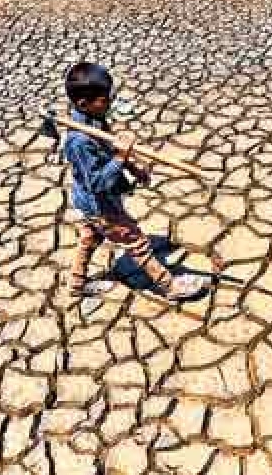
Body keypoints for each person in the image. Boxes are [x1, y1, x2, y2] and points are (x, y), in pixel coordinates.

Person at [55, 62, 207, 301]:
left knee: (90, 238)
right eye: (104, 100)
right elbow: (97, 182)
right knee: (136, 242)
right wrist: (119, 158)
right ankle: (168, 286)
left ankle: (76, 283)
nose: (109, 104)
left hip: (93, 204)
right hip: (99, 204)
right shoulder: (79, 141)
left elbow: (109, 147)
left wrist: (133, 168)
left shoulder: (94, 119)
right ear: (83, 103)